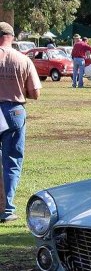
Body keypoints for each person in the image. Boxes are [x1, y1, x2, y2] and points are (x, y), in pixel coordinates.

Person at [0, 22, 41, 223]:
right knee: (12, 161)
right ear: (12, 37)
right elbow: (35, 93)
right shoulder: (22, 59)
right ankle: (7, 210)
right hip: (14, 110)